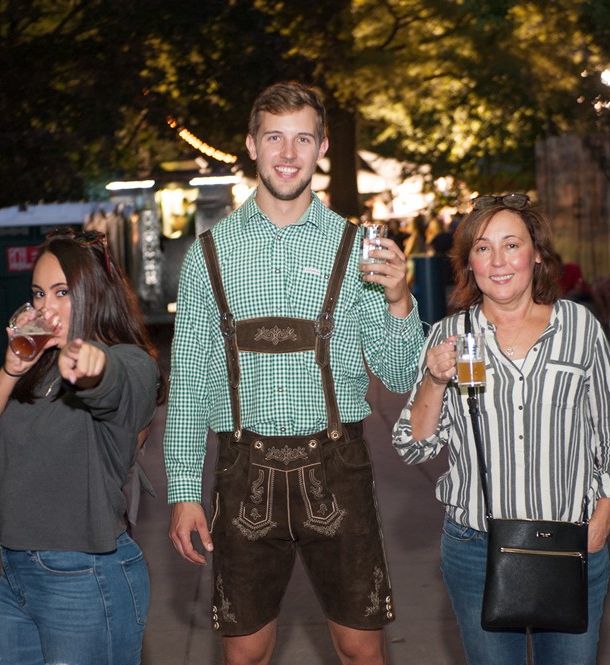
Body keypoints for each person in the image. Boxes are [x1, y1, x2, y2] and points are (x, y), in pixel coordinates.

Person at [163, 81, 425, 665]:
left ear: (322, 147)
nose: (288, 152)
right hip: (242, 466)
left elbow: (401, 371)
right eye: (275, 137)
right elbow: (186, 386)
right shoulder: (208, 255)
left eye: (302, 138)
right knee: (245, 654)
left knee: (361, 649)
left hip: (338, 464)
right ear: (252, 146)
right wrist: (184, 491)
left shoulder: (358, 249)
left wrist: (402, 300)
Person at [391, 194, 610, 664]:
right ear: (469, 262)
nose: (499, 261)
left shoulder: (579, 327)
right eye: (483, 248)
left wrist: (602, 520)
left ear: (537, 254)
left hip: (570, 541)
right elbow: (413, 446)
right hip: (474, 549)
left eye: (512, 245)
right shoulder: (450, 334)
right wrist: (433, 378)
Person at [0, 228, 164, 665]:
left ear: (93, 294)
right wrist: (13, 368)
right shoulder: (36, 368)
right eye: (37, 294)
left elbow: (116, 387)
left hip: (84, 576)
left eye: (61, 292)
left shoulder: (129, 359)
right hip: (17, 572)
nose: (44, 307)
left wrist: (93, 368)